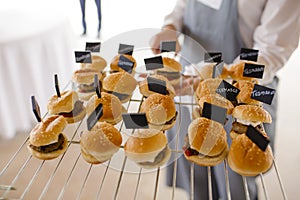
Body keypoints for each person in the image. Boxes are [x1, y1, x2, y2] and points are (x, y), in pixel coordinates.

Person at [150, 0, 300, 199]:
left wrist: (214, 78)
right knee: (196, 172)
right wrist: (170, 28)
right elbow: (184, 6)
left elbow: (271, 49)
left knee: (236, 181)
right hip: (187, 83)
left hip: (239, 93)